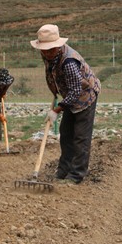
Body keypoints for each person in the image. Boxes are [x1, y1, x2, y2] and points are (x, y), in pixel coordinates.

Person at [30, 24, 101, 185]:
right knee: (66, 133)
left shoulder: (69, 62)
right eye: (44, 49)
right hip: (70, 95)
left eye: (50, 49)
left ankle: (76, 175)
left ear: (58, 45)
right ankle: (63, 170)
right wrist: (55, 90)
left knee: (80, 136)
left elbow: (76, 91)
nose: (47, 52)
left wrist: (57, 109)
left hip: (85, 96)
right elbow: (52, 73)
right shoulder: (47, 55)